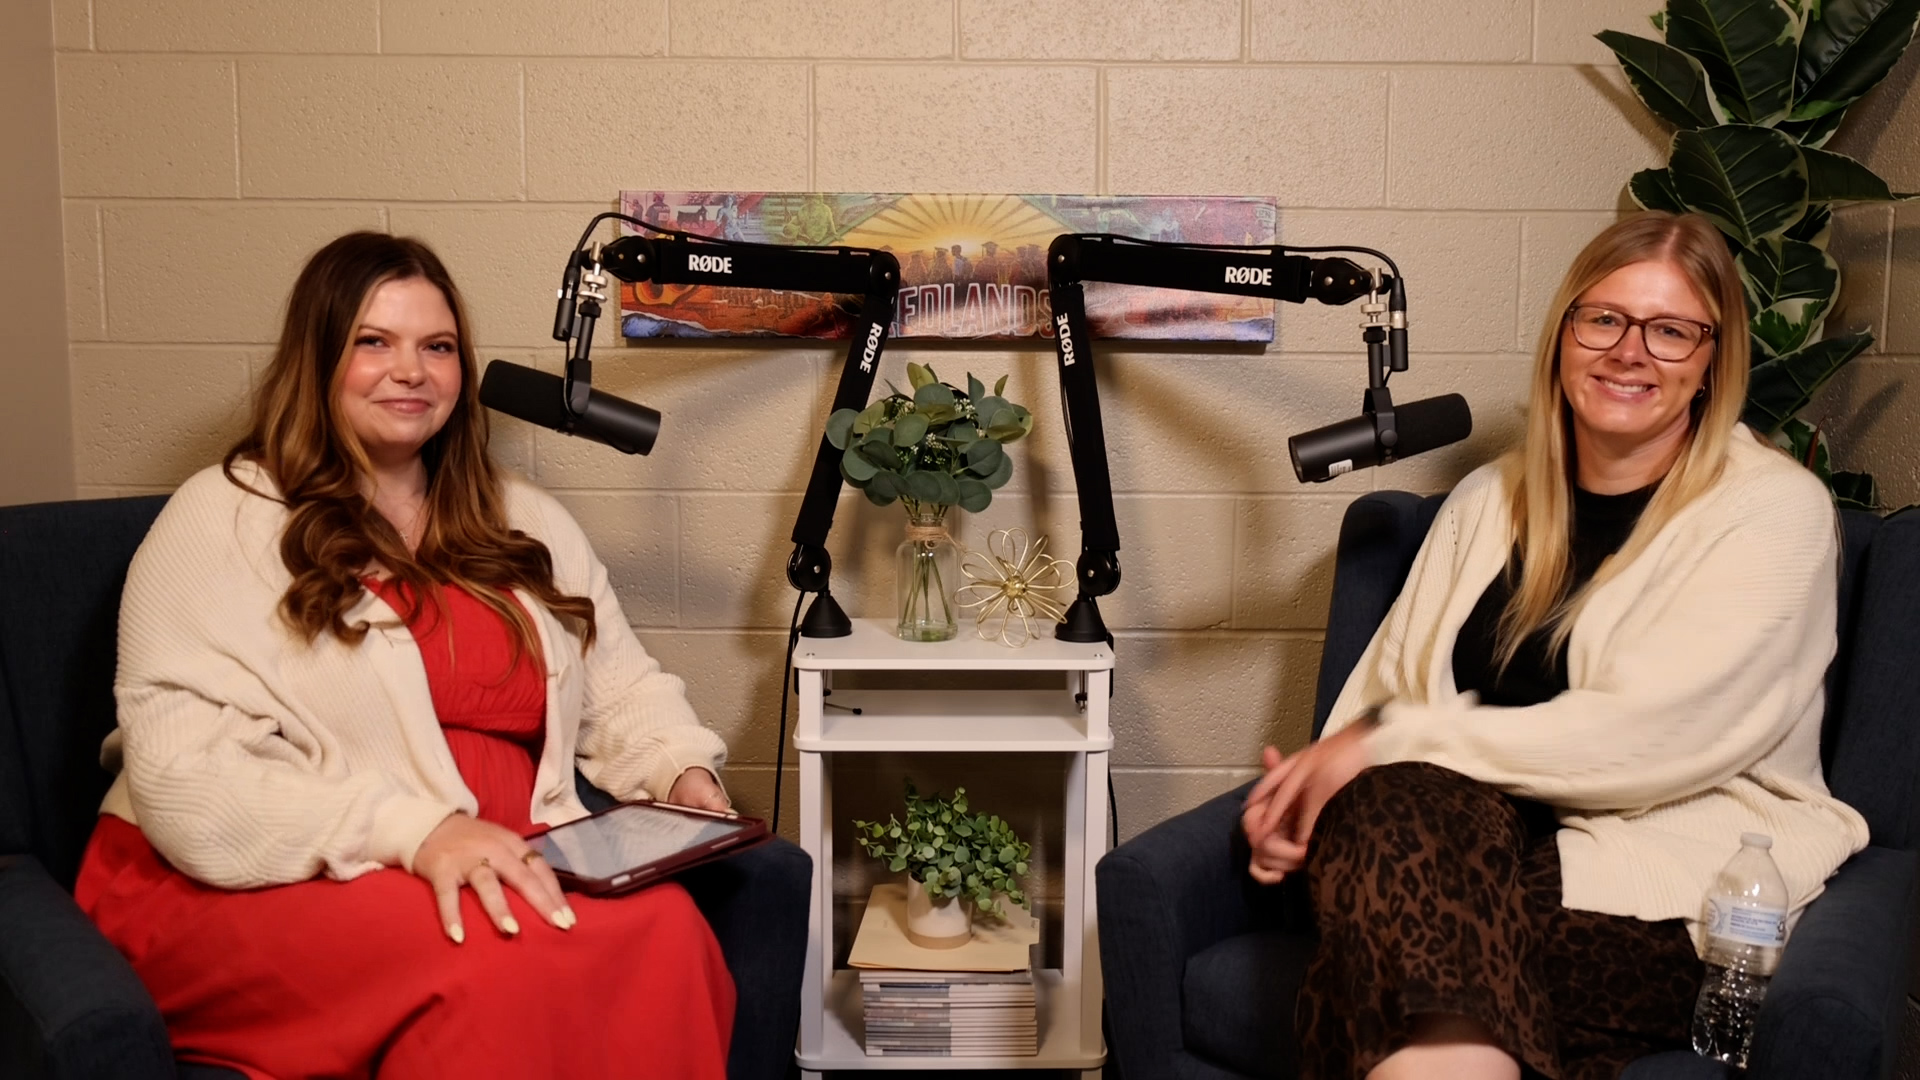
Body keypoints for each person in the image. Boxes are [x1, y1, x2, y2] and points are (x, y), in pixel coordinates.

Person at [76, 232, 738, 1079]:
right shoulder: (222, 517)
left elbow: (623, 688)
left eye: (438, 347)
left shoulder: (522, 518)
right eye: (373, 343)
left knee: (669, 931)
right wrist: (416, 832)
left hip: (497, 850)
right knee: (497, 964)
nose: (412, 371)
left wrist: (681, 774)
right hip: (252, 871)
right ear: (316, 360)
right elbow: (185, 776)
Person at [1241, 211, 1869, 1080]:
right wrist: (1304, 813)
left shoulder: (1770, 512)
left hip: (1657, 871)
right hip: (1445, 844)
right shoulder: (1485, 500)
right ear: (1565, 336)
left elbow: (1654, 738)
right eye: (1603, 318)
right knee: (1387, 828)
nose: (1629, 351)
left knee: (1388, 946)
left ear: (1711, 363)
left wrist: (1385, 749)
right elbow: (1379, 709)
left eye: (1672, 331)